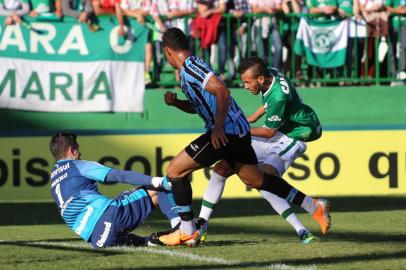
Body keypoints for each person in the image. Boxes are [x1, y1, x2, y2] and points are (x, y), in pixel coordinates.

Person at [156, 27, 332, 247]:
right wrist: (177, 103)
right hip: (237, 132)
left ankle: (188, 230)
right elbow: (199, 105)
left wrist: (218, 127)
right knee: (255, 180)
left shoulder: (191, 67)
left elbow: (222, 91)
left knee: (174, 170)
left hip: (226, 132)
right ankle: (312, 205)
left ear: (167, 50)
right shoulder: (188, 70)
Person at [197, 56, 324, 244]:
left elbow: (268, 131)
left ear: (261, 79)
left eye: (247, 82)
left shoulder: (279, 94)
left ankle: (303, 227)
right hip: (279, 129)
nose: (245, 86)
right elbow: (269, 104)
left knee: (264, 178)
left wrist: (241, 126)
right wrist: (251, 118)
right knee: (221, 168)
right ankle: (201, 225)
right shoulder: (269, 73)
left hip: (294, 135)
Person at [49, 132, 180, 248]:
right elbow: (120, 176)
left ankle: (151, 241)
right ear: (72, 150)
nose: (80, 154)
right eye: (78, 149)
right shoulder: (78, 165)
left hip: (99, 240)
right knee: (158, 189)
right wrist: (156, 181)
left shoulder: (54, 179)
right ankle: (180, 228)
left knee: (144, 242)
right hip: (113, 217)